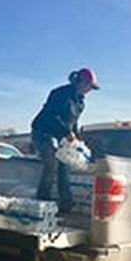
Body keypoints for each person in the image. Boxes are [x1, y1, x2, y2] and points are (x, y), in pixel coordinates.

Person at [30, 69, 100, 212]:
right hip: (43, 132)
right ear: (80, 82)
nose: (89, 90)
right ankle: (42, 201)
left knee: (65, 164)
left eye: (91, 88)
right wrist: (66, 133)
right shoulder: (60, 93)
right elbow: (51, 116)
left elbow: (73, 123)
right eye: (88, 86)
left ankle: (66, 203)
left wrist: (76, 138)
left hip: (60, 136)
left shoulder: (80, 103)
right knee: (51, 162)